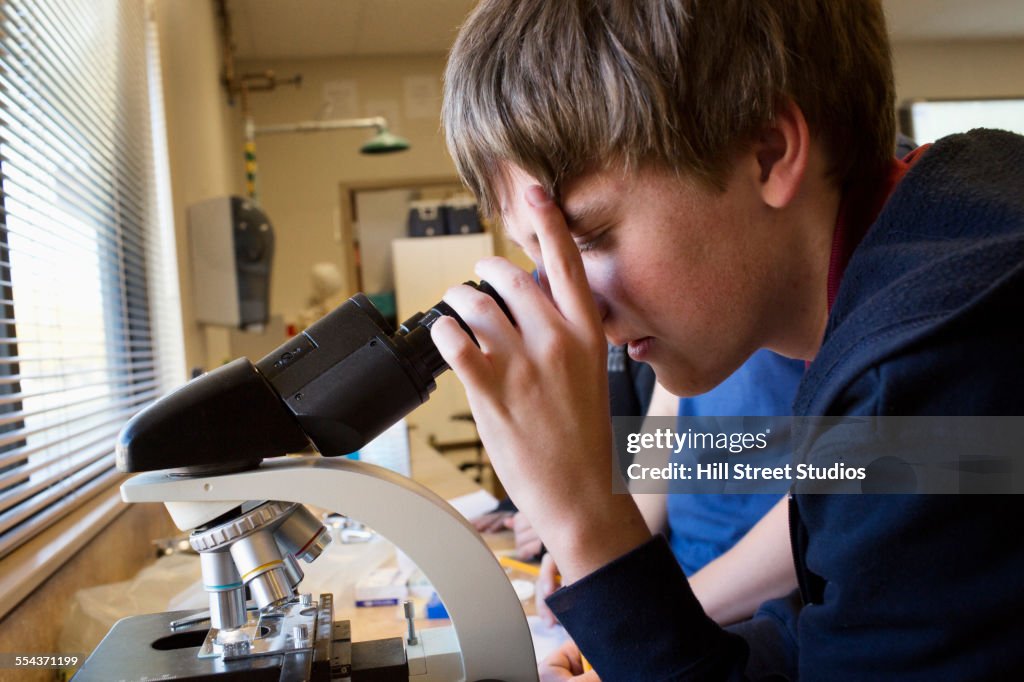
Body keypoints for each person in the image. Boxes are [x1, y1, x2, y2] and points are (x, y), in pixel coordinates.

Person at [429, 0, 1024, 679]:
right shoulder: (948, 207)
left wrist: (588, 523)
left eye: (587, 238)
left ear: (767, 152)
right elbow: (842, 615)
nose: (579, 311)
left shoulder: (936, 366)